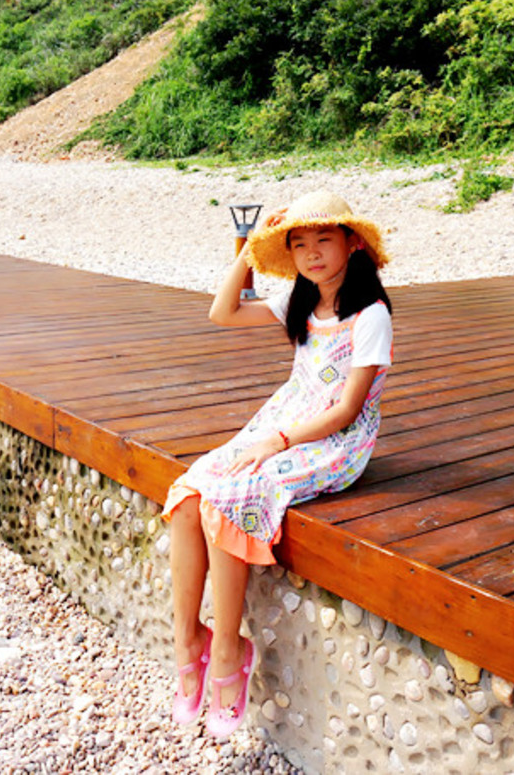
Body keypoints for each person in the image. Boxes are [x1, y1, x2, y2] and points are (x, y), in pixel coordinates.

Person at [162, 190, 394, 737]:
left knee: (230, 497)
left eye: (324, 240)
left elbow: (347, 410)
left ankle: (228, 650)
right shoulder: (300, 300)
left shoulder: (371, 315)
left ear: (352, 243)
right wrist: (249, 249)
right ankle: (187, 640)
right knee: (191, 492)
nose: (312, 253)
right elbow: (222, 312)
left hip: (335, 441)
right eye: (298, 244)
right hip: (285, 420)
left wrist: (278, 441)